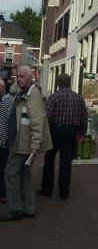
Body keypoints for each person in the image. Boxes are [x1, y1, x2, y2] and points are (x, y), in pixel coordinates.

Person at [0, 66, 52, 221]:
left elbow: (37, 121)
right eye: (18, 76)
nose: (19, 78)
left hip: (23, 143)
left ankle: (15, 209)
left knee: (10, 173)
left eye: (22, 76)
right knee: (24, 174)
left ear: (30, 78)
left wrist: (35, 144)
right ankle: (28, 209)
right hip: (21, 141)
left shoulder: (32, 95)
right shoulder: (24, 93)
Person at [37, 73, 88, 200]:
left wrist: (42, 133)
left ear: (58, 84)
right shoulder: (79, 98)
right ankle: (64, 192)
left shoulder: (53, 97)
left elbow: (46, 116)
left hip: (55, 130)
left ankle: (47, 189)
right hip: (71, 131)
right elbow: (84, 117)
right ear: (70, 83)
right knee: (66, 163)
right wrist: (81, 133)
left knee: (49, 161)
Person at [0, 83, 19, 203]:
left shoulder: (5, 98)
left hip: (2, 136)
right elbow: (10, 120)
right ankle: (3, 194)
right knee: (4, 168)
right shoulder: (12, 101)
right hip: (4, 138)